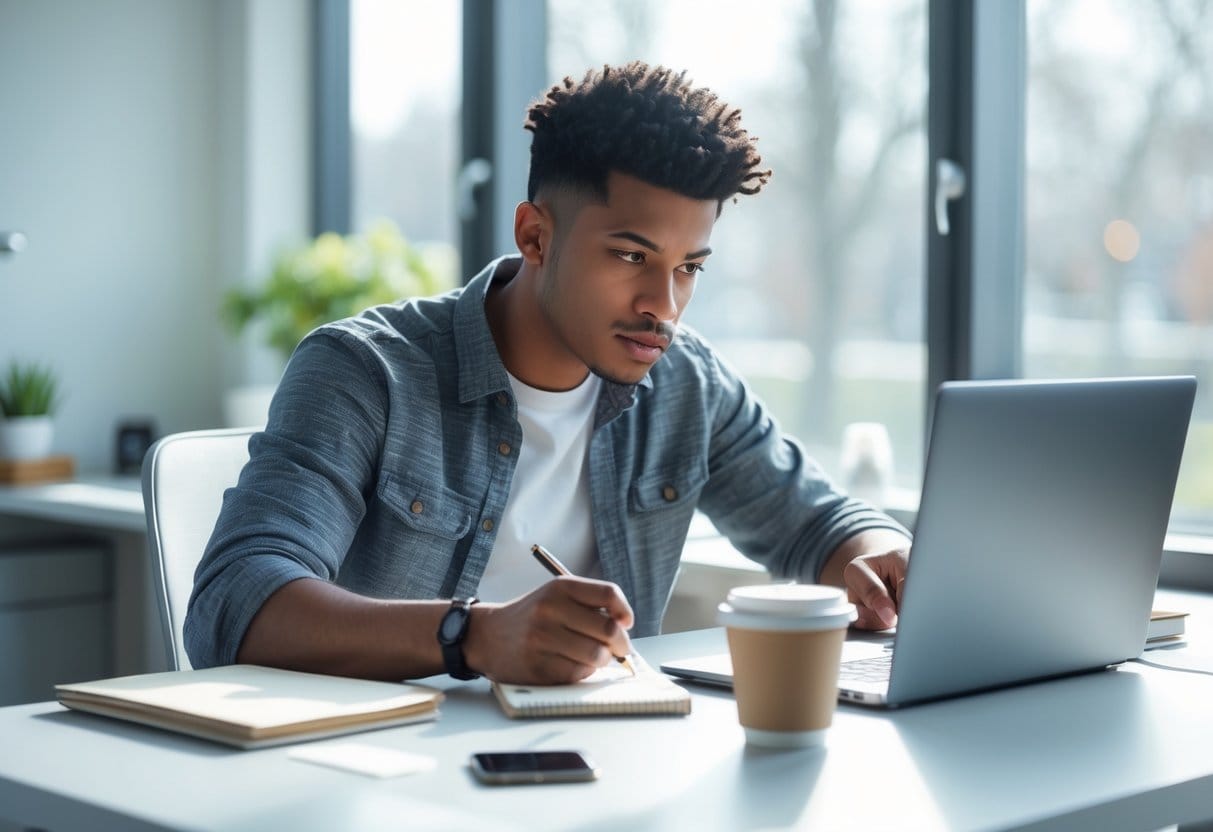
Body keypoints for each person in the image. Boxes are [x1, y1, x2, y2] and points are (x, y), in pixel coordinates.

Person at [185, 61, 911, 686]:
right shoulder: (366, 371)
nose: (663, 305)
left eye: (687, 268)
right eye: (630, 256)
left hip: (601, 767)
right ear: (535, 235)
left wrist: (879, 558)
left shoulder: (687, 384)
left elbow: (821, 524)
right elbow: (236, 605)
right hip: (377, 778)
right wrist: (469, 637)